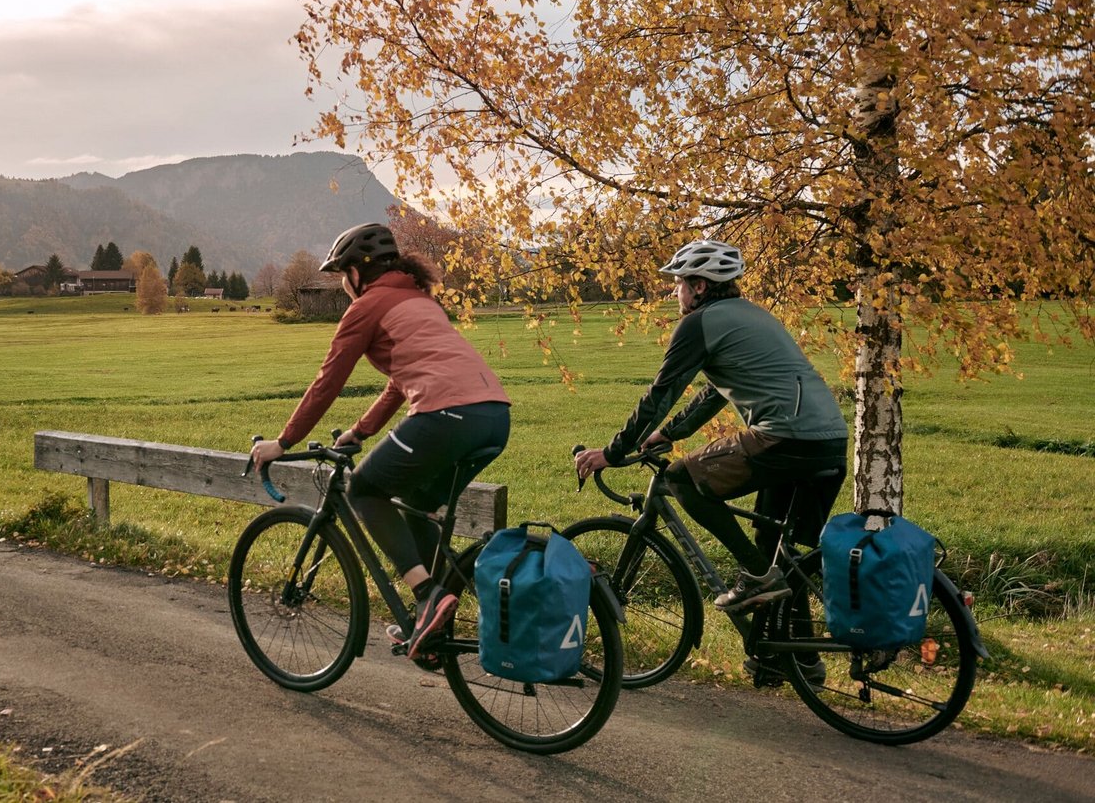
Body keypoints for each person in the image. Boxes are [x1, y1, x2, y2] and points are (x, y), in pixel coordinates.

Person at [573, 239, 848, 681]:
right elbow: (712, 393)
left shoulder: (699, 323)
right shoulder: (752, 315)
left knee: (682, 481)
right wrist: (669, 433)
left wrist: (613, 451)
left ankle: (756, 577)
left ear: (699, 286)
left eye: (679, 284)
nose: (674, 293)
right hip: (830, 441)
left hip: (784, 438)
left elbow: (661, 393)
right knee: (782, 552)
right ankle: (793, 661)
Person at [250, 222, 511, 663]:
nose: (343, 284)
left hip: (445, 415)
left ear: (357, 272)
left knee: (364, 489)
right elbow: (397, 383)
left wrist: (283, 441)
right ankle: (433, 626)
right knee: (414, 500)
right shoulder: (420, 300)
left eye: (342, 274)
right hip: (493, 416)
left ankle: (428, 596)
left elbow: (327, 381)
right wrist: (360, 431)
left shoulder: (368, 306)